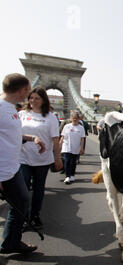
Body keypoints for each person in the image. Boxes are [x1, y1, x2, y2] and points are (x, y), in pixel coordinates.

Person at [0, 73, 45, 254]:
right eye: (27, 91)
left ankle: (11, 242)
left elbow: (10, 136)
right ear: (21, 90)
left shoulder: (11, 108)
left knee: (22, 202)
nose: (28, 95)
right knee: (21, 202)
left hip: (12, 168)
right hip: (2, 171)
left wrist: (31, 137)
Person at [19, 87, 62, 230]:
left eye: (37, 98)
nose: (33, 101)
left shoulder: (50, 117)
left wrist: (58, 158)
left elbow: (55, 140)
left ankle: (35, 215)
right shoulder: (21, 114)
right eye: (31, 97)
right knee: (23, 189)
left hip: (42, 159)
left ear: (43, 100)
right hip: (23, 157)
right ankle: (24, 217)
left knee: (38, 189)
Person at [60, 111, 85, 184]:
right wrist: (59, 146)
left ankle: (72, 175)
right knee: (67, 161)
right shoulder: (66, 126)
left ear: (78, 119)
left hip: (76, 147)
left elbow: (82, 139)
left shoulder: (81, 128)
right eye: (73, 118)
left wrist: (82, 148)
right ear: (70, 118)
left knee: (73, 162)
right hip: (67, 146)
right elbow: (62, 137)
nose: (74, 120)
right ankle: (67, 176)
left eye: (76, 118)